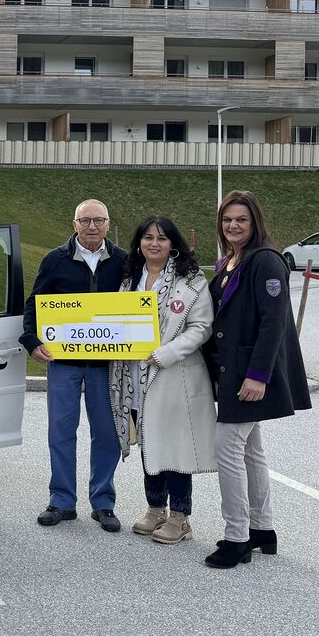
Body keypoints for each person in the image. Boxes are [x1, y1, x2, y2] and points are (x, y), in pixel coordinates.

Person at [203, 190, 311, 569]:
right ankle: (262, 529)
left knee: (227, 448)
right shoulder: (230, 261)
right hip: (229, 370)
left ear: (255, 222)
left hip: (249, 374)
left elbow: (274, 323)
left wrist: (259, 376)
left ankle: (237, 537)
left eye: (241, 220)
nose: (232, 226)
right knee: (250, 451)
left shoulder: (265, 261)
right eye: (227, 219)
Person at [20, 199, 127, 532]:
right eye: (85, 220)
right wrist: (31, 340)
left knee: (107, 434)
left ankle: (103, 503)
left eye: (98, 220)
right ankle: (62, 501)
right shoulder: (56, 259)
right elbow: (36, 302)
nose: (92, 226)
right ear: (74, 223)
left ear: (108, 224)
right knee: (61, 432)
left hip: (106, 364)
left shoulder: (124, 261)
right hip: (64, 361)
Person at [108, 216, 216, 545]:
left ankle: (181, 517)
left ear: (174, 245)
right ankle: (155, 509)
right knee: (148, 441)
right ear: (139, 243)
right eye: (148, 238)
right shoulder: (130, 279)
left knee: (175, 446)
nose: (154, 243)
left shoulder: (191, 280)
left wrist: (167, 353)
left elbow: (202, 327)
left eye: (162, 238)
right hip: (135, 375)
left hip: (174, 375)